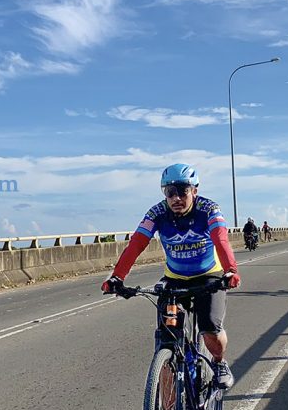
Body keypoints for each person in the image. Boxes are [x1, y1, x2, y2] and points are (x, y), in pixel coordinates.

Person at [102, 163, 241, 389]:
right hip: (174, 278)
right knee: (166, 341)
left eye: (183, 191)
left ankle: (219, 362)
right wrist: (117, 277)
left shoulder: (209, 209)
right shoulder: (156, 213)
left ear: (194, 191)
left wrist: (231, 270)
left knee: (210, 330)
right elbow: (136, 243)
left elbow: (221, 239)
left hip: (209, 276)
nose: (176, 198)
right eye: (170, 192)